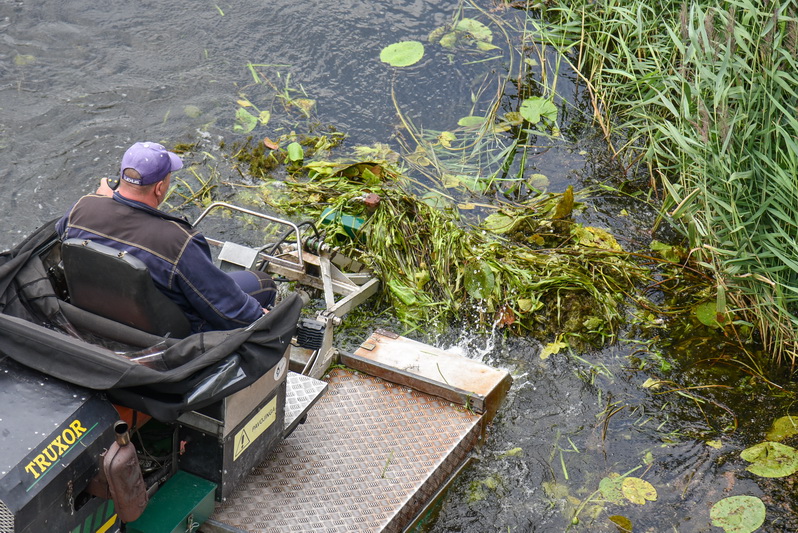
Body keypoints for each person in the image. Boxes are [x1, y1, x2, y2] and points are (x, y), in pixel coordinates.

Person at [56, 141, 276, 333]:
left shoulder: (81, 208)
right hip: (167, 333)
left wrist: (103, 201)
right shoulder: (178, 242)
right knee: (263, 283)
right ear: (160, 188)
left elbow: (64, 234)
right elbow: (225, 306)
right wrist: (260, 317)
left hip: (99, 313)